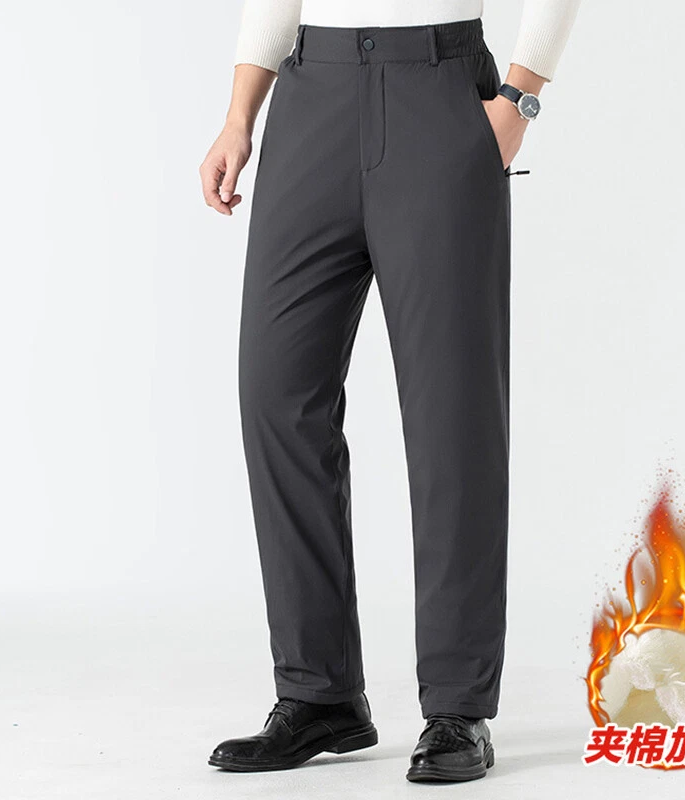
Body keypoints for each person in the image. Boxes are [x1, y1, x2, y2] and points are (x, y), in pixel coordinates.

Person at [200, 0, 581, 783]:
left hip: (439, 95)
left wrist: (518, 100)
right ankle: (320, 694)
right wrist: (240, 115)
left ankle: (458, 707)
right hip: (310, 94)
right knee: (276, 395)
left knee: (452, 415)